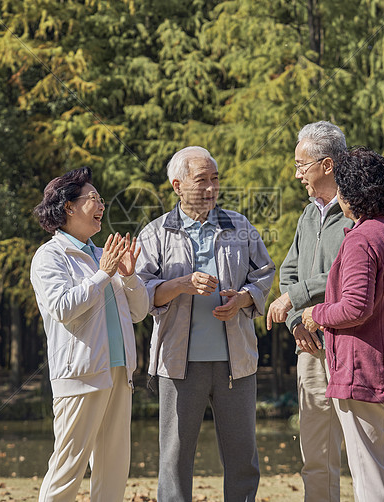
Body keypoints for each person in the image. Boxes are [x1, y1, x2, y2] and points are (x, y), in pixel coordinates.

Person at [136, 146, 275, 502]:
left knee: (243, 458)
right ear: (177, 185)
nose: (212, 188)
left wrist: (244, 299)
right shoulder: (154, 234)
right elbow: (140, 291)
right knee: (175, 459)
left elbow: (263, 274)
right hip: (177, 366)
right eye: (202, 180)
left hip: (236, 363)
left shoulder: (239, 225)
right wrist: (182, 284)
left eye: (215, 179)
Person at [302, 148, 384, 502]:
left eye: (341, 189)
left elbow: (356, 307)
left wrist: (317, 314)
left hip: (366, 375)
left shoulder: (361, 238)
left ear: (351, 193)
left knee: (369, 474)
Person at [30, 167, 149, 502]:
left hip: (119, 374)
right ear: (68, 207)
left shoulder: (102, 255)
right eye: (93, 199)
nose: (102, 206)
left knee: (114, 471)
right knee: (67, 470)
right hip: (81, 376)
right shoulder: (49, 256)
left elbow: (139, 312)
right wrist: (103, 274)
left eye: (101, 200)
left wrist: (127, 277)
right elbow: (63, 308)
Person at [265, 121, 353, 501]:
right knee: (314, 451)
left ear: (327, 165)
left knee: (364, 448)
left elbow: (342, 269)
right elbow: (288, 271)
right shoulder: (307, 214)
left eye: (302, 164)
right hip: (310, 344)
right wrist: (296, 320)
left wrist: (293, 298)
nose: (296, 172)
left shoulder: (356, 210)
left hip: (348, 342)